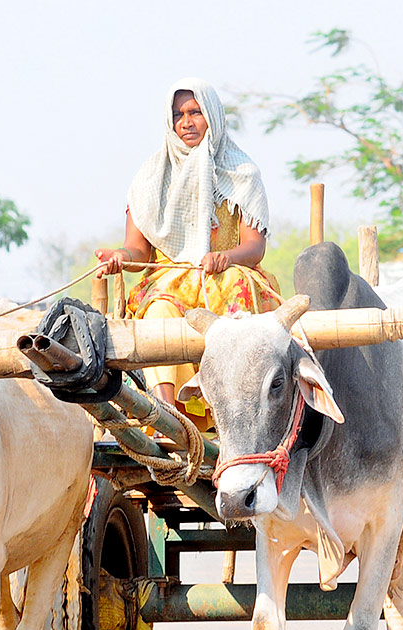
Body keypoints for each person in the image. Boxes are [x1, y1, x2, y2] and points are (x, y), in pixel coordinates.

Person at [95, 77, 282, 426]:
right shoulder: (150, 179)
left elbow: (255, 247)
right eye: (178, 114)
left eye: (195, 112)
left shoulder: (242, 172)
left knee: (236, 299)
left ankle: (235, 411)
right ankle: (167, 416)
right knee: (159, 309)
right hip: (170, 278)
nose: (186, 122)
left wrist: (227, 257)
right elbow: (138, 251)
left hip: (227, 273)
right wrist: (120, 256)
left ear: (212, 115)